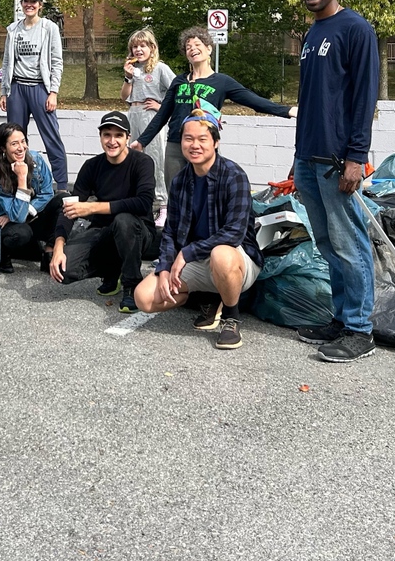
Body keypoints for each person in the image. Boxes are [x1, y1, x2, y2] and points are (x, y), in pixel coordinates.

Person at [292, 0, 380, 363]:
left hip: (337, 160)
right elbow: (310, 101)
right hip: (309, 158)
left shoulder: (355, 29)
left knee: (350, 244)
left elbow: (364, 98)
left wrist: (355, 157)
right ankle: (342, 319)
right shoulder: (312, 34)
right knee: (327, 244)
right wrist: (297, 155)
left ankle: (361, 330)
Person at [134, 106, 262, 350]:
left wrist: (187, 253)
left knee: (220, 253)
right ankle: (208, 297)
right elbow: (170, 232)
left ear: (215, 142)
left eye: (202, 139)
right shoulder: (181, 180)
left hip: (236, 260)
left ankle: (231, 317)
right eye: (188, 138)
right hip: (198, 262)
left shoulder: (233, 175)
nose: (195, 145)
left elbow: (234, 233)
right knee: (144, 298)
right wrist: (163, 269)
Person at [133, 26, 295, 188]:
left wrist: (288, 111)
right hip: (176, 145)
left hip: (205, 144)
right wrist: (141, 141)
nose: (193, 49)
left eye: (197, 45)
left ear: (209, 49)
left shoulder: (222, 82)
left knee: (207, 193)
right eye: (188, 47)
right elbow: (162, 115)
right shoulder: (179, 81)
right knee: (176, 194)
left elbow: (254, 101)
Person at [48, 110, 156, 313]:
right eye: (107, 135)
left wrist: (92, 206)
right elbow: (69, 208)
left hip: (138, 231)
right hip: (104, 232)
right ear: (100, 137)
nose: (112, 141)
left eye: (118, 135)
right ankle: (111, 271)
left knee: (123, 221)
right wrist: (58, 246)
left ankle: (131, 285)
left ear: (127, 138)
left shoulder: (142, 163)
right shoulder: (92, 166)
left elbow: (143, 203)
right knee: (63, 269)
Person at [0, 0, 68, 192]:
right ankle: (17, 183)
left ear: (40, 4)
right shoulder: (13, 29)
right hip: (17, 88)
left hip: (39, 88)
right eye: (26, 1)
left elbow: (57, 62)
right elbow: (6, 62)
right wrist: (4, 91)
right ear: (21, 4)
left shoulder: (49, 28)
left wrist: (53, 92)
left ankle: (62, 185)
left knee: (51, 137)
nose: (29, 5)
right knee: (14, 139)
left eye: (33, 1)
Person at [0, 122, 60, 273]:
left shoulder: (37, 160)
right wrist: (22, 178)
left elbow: (47, 193)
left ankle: (48, 252)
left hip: (29, 215)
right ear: (3, 148)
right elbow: (18, 217)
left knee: (62, 200)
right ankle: (5, 252)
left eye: (23, 141)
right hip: (10, 225)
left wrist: (28, 210)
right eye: (14, 144)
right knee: (20, 234)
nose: (21, 148)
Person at [120, 27, 175, 226]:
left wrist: (161, 107)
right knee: (135, 159)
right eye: (135, 46)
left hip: (152, 118)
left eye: (142, 45)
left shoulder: (160, 68)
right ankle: (144, 201)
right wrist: (128, 77)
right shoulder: (133, 69)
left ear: (152, 48)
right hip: (133, 114)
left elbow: (177, 91)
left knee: (156, 160)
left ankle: (164, 205)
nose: (138, 50)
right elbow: (124, 96)